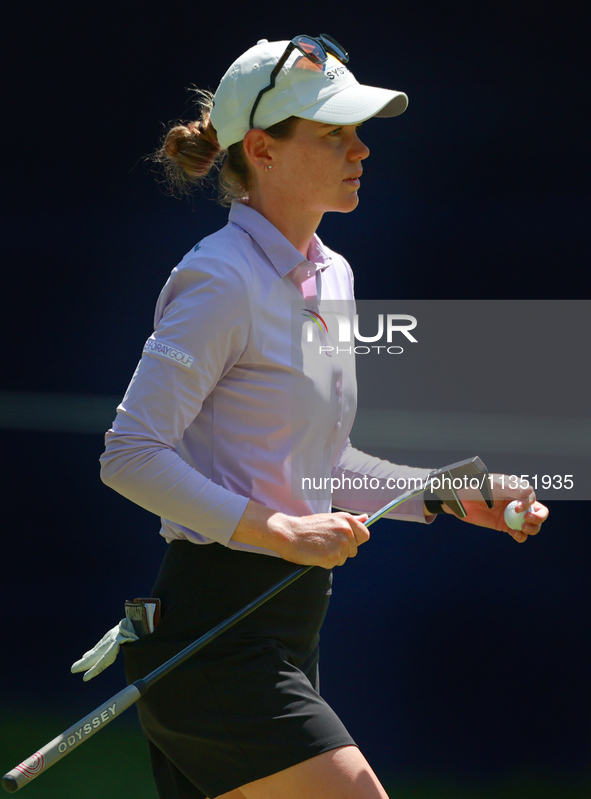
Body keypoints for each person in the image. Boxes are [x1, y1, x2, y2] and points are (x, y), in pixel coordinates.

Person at [99, 35, 548, 799]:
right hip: (210, 637)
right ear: (262, 150)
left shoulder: (330, 272)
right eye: (333, 133)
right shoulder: (217, 278)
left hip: (285, 631)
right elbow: (130, 453)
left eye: (358, 131)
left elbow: (318, 461)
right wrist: (277, 529)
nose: (361, 149)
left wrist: (443, 492)